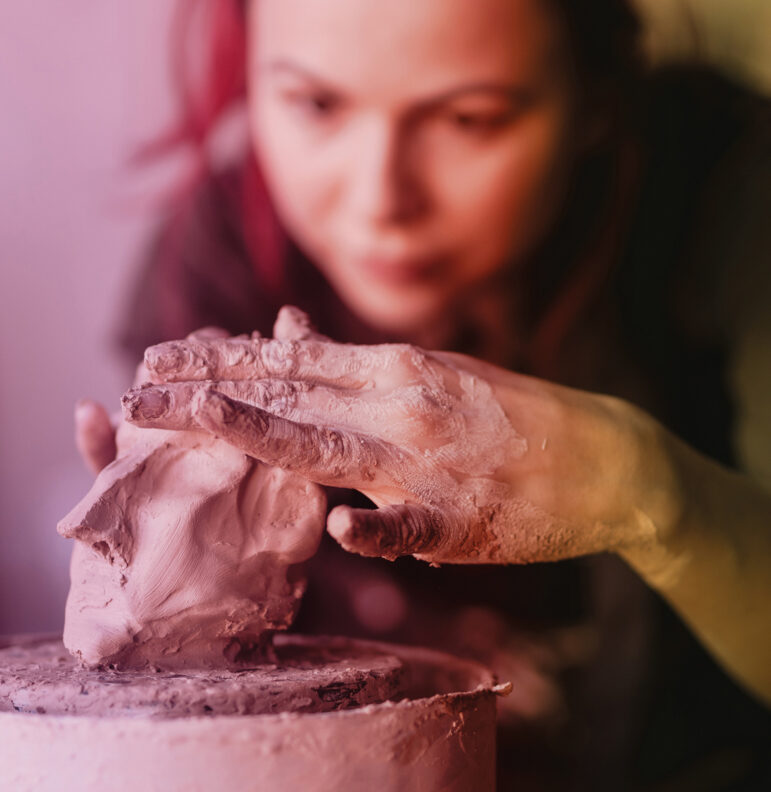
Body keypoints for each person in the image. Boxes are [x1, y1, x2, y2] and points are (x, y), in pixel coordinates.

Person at [77, 0, 771, 788]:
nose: (381, 202)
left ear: (597, 97)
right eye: (315, 104)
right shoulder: (224, 253)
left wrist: (655, 493)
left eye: (469, 119)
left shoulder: (731, 205)